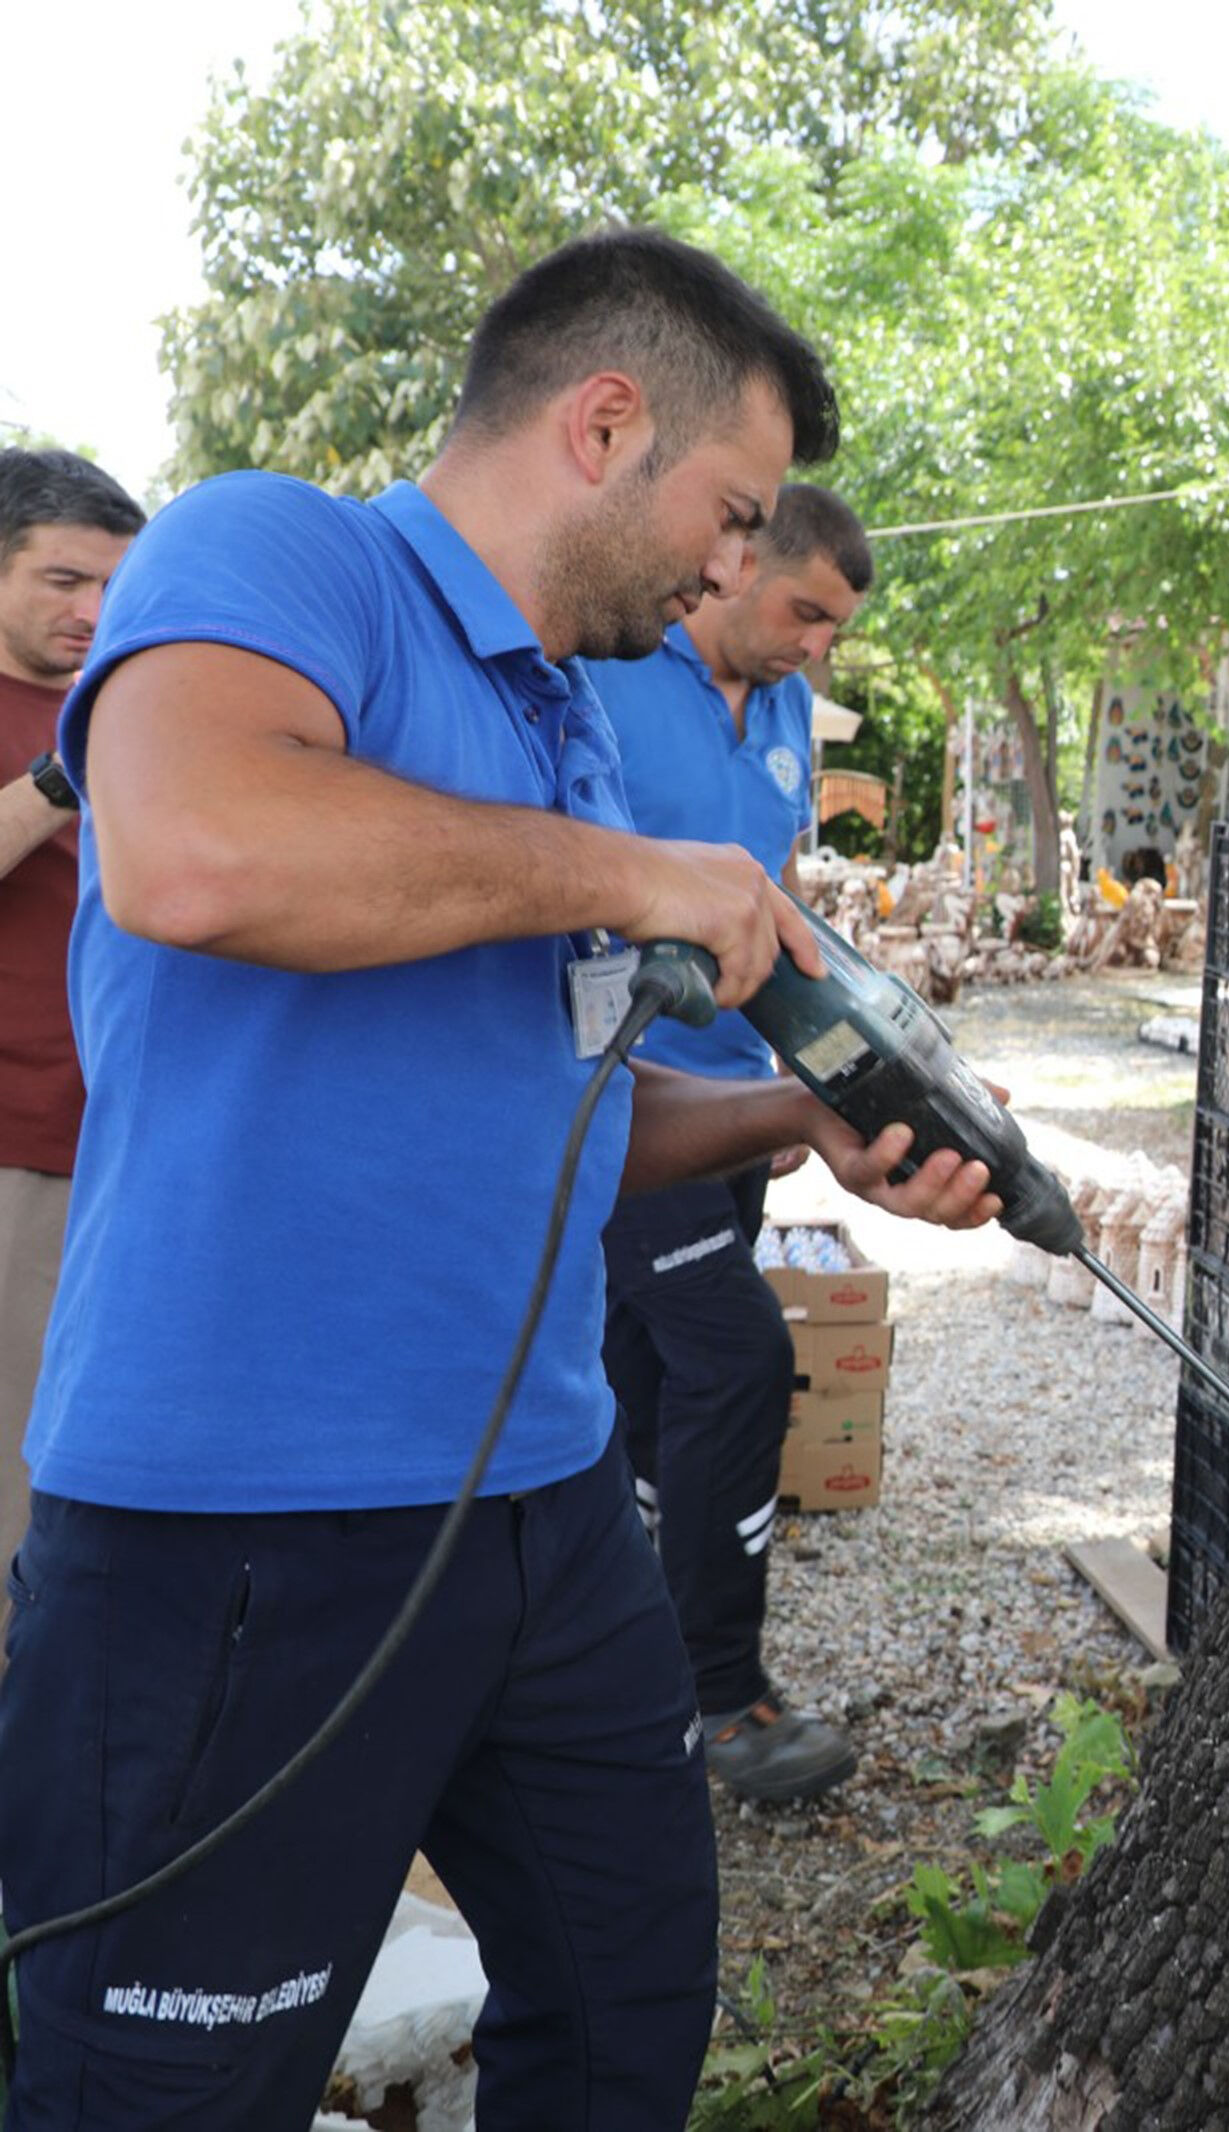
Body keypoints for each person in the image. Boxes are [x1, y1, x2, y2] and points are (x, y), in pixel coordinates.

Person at [0, 227, 1002, 2130]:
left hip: (548, 1517)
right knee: (169, 2092)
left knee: (627, 2009)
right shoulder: (277, 552)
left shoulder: (567, 732)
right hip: (239, 1533)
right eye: (730, 509)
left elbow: (567, 1122)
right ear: (604, 422)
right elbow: (196, 849)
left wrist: (803, 1124)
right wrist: (630, 881)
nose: (739, 562)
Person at [580, 482, 871, 1802]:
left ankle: (616, 1673)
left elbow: (779, 890)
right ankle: (720, 1697)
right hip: (619, 1100)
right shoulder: (613, 670)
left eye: (835, 628)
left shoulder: (793, 707)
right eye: (805, 609)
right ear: (737, 559)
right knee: (739, 1360)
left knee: (642, 1387)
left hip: (740, 1105)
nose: (818, 645)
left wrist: (823, 1060)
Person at [0, 450, 144, 1654]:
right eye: (63, 578)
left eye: (115, 586)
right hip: (18, 1149)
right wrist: (60, 773)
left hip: (127, 1144)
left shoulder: (129, 701)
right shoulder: (75, 732)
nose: (93, 611)